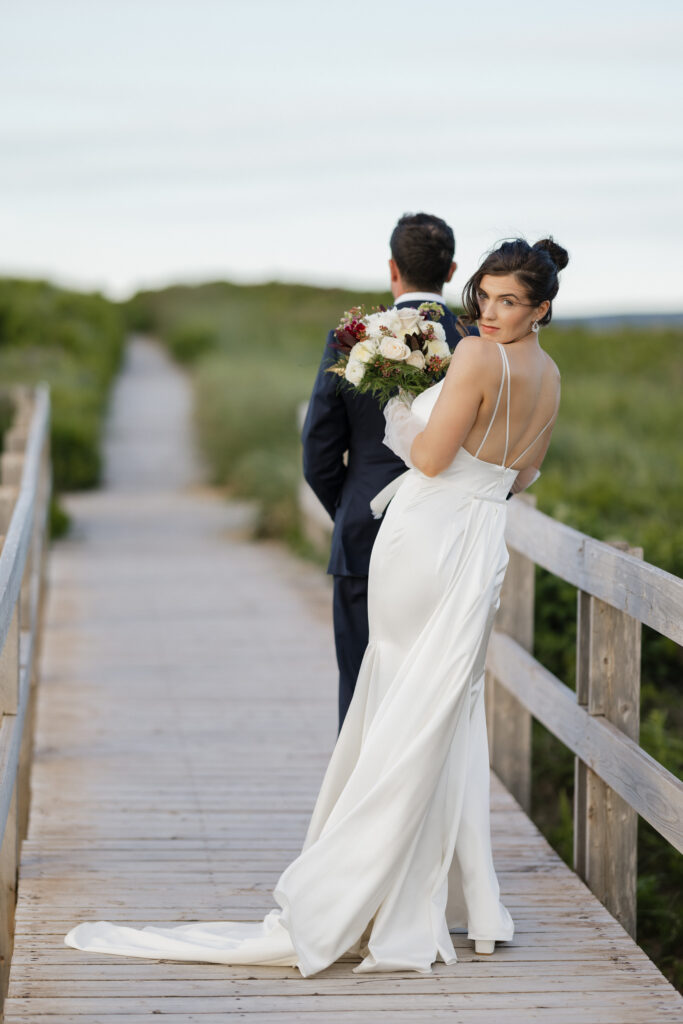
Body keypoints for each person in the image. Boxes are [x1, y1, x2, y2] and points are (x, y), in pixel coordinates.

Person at [64, 236, 566, 976]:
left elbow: (425, 459)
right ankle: (463, 903)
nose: (489, 313)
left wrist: (402, 407)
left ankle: (371, 890)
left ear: (540, 307)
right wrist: (474, 483)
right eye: (484, 298)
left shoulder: (473, 358)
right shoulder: (550, 373)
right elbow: (523, 475)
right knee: (444, 709)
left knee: (396, 696)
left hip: (425, 536)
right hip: (479, 540)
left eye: (509, 301)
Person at [301, 212, 478, 732]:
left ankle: (357, 809)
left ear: (393, 269)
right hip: (446, 540)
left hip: (362, 537)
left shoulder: (353, 336)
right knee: (431, 695)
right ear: (451, 270)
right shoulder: (474, 344)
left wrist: (353, 504)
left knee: (360, 691)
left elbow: (318, 451)